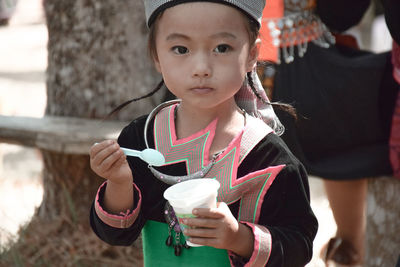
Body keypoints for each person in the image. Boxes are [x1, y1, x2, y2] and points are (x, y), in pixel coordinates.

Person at [89, 1, 318, 266]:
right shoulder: (142, 140)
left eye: (222, 48)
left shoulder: (271, 159)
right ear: (156, 56)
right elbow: (116, 235)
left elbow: (299, 247)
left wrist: (238, 238)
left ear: (253, 54)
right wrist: (119, 183)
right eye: (181, 49)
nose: (201, 68)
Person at [256, 0, 400, 266]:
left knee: (346, 138)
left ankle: (348, 246)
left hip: (312, 68)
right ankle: (347, 247)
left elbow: (342, 14)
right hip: (239, 65)